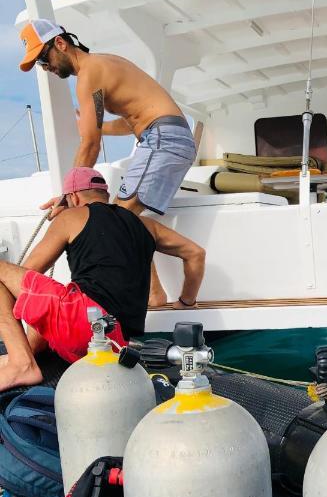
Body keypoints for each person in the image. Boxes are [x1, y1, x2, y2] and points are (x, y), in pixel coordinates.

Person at [19, 18, 198, 305]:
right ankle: (155, 294)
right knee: (122, 219)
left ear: (61, 44)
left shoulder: (89, 74)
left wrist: (68, 196)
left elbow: (91, 143)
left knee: (116, 223)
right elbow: (134, 122)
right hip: (167, 136)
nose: (45, 68)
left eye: (43, 58)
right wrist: (94, 126)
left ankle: (156, 293)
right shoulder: (103, 64)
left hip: (163, 139)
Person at [0, 167, 205, 392]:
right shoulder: (147, 225)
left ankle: (21, 363)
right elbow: (195, 253)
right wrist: (186, 301)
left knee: (11, 275)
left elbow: (29, 273)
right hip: (114, 345)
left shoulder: (71, 216)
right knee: (61, 294)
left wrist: (63, 216)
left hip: (82, 324)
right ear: (105, 195)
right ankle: (27, 352)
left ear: (73, 197)